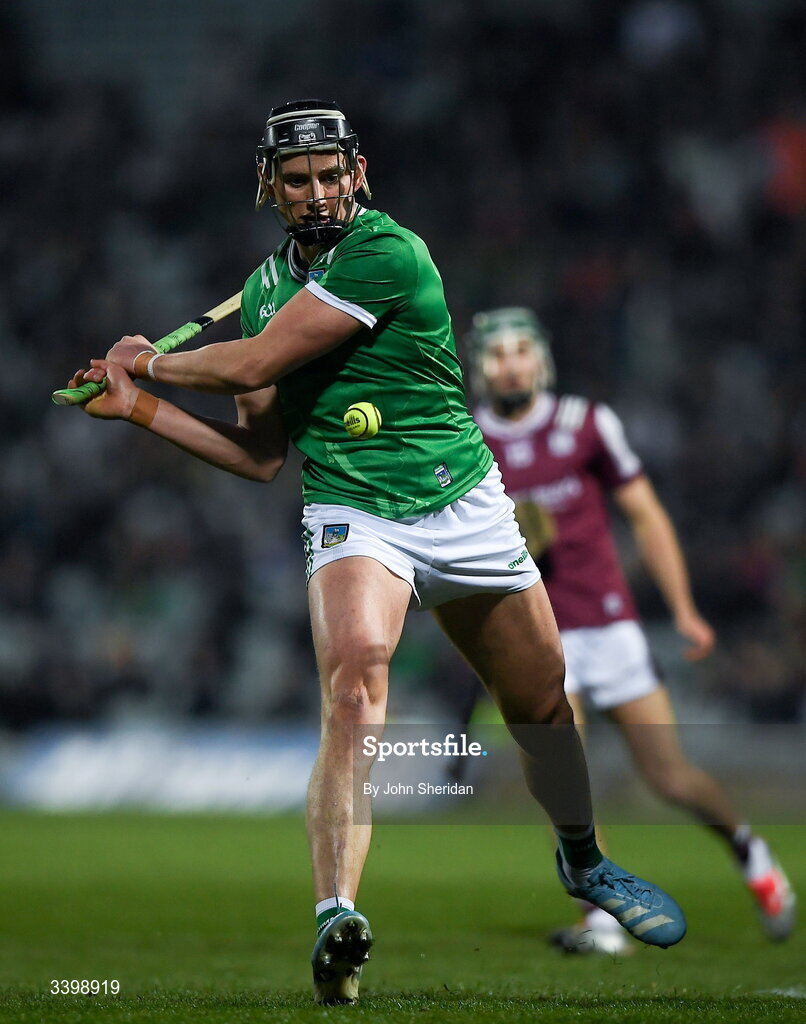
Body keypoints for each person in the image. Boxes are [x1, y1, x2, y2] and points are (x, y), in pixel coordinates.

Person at [67, 100, 687, 1003]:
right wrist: (142, 411)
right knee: (355, 685)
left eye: (331, 176)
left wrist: (149, 364)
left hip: (461, 500)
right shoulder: (265, 289)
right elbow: (260, 455)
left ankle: (585, 861)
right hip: (354, 510)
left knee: (541, 705)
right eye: (297, 180)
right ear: (268, 187)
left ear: (357, 174)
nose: (317, 194)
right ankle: (337, 917)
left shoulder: (389, 253)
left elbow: (247, 366)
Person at [462, 306, 796, 953]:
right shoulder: (465, 435)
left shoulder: (585, 424)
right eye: (497, 354)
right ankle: (603, 920)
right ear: (480, 367)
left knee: (669, 776)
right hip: (538, 631)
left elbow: (645, 515)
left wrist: (685, 608)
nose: (510, 364)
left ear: (541, 359)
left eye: (520, 351)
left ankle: (750, 850)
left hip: (608, 624)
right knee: (569, 775)